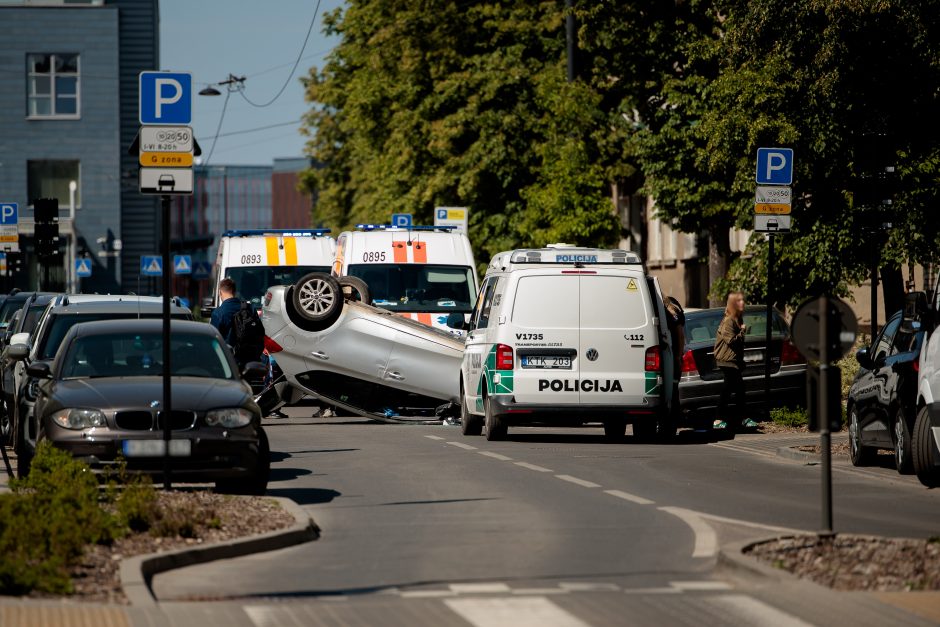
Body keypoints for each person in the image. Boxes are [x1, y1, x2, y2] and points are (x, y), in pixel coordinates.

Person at [713, 291, 758, 432]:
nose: (742, 303)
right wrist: (743, 331)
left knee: (736, 390)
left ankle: (738, 419)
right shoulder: (728, 321)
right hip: (727, 361)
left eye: (743, 300)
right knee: (731, 390)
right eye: (739, 301)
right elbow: (731, 341)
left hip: (733, 361)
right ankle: (721, 419)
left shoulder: (737, 319)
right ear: (733, 304)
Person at [209, 277, 243, 350]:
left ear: (220, 292)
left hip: (229, 357)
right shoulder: (249, 309)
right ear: (234, 292)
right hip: (251, 357)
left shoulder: (218, 313)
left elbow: (213, 340)